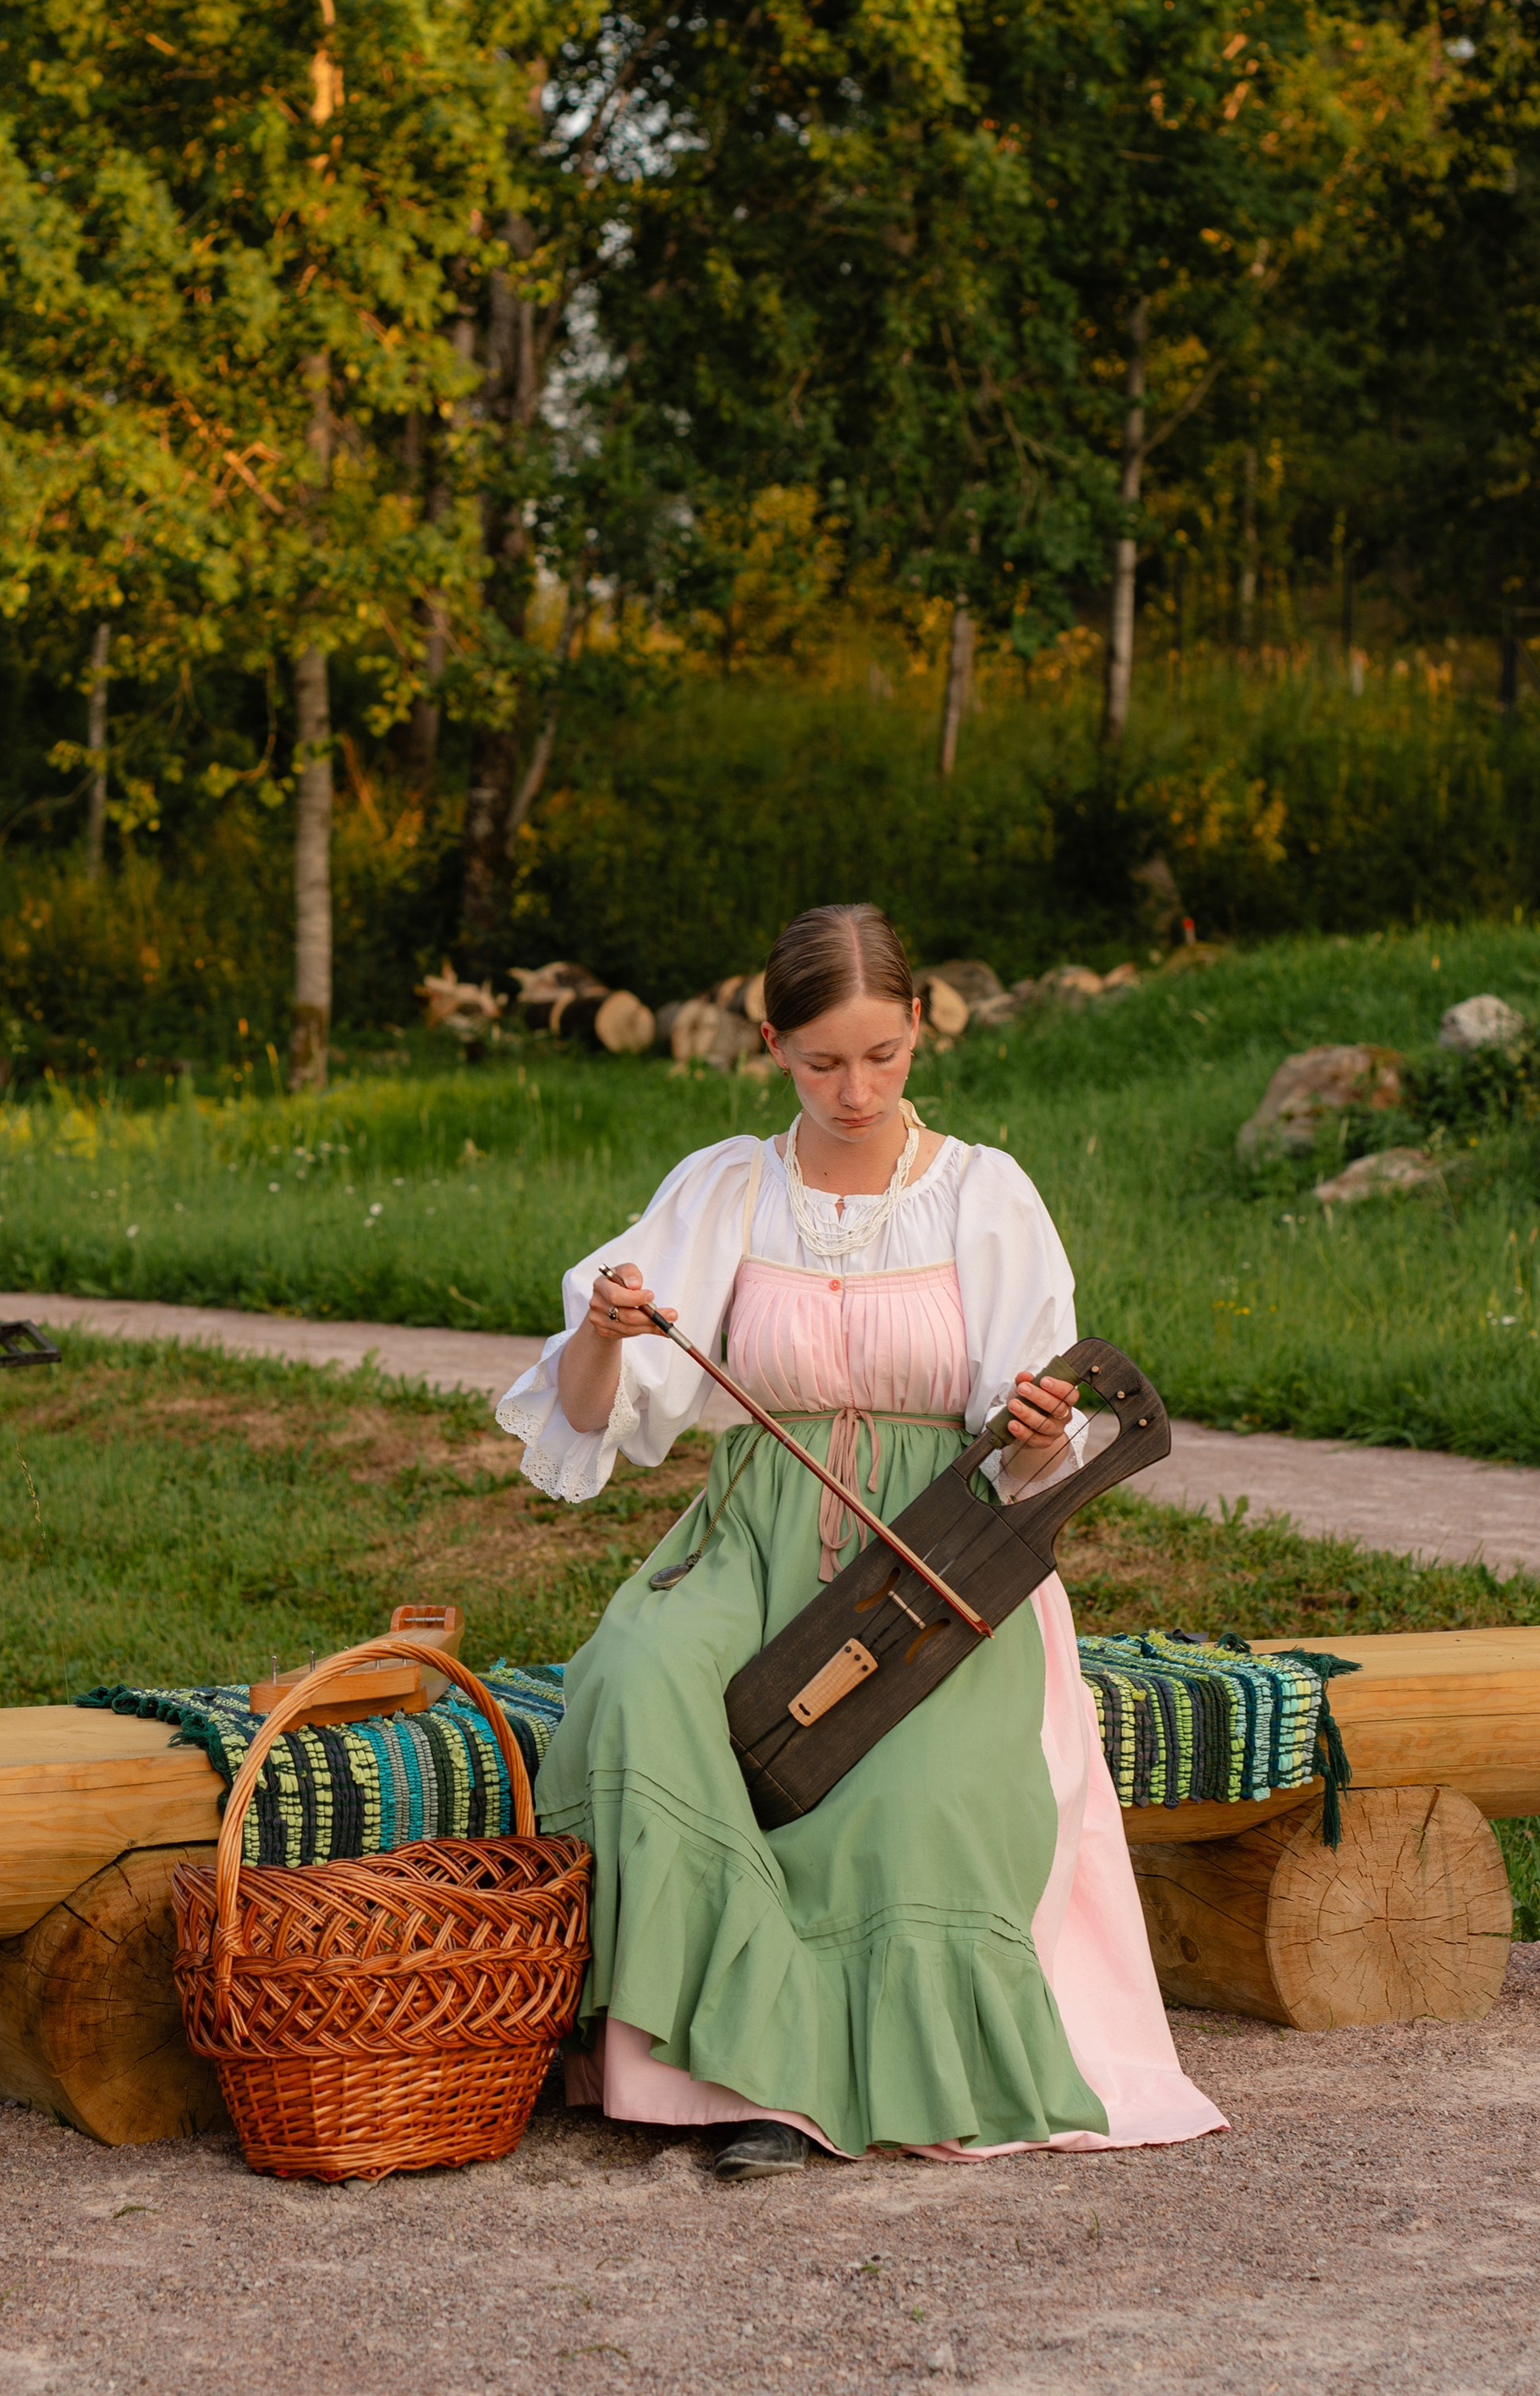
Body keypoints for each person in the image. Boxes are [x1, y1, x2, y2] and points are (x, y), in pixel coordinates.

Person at [498, 902, 1226, 2178]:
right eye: (823, 1061)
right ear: (771, 1044)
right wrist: (606, 1331)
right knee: (642, 1680)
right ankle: (722, 2069)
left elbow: (1034, 1452)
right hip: (753, 1536)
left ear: (920, 1030)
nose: (855, 1090)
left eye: (881, 1056)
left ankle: (823, 2081)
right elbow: (597, 1413)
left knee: (913, 1795)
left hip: (937, 1561)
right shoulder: (729, 1188)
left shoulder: (983, 1195)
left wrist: (1035, 1426)